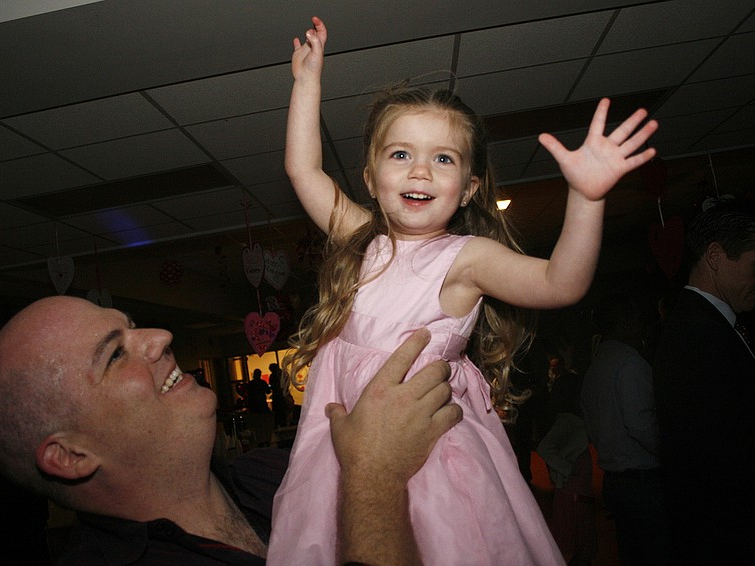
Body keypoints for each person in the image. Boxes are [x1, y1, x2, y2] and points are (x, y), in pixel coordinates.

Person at [269, 16, 658, 566]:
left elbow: (560, 283)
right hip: (342, 445)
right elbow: (302, 168)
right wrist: (307, 83)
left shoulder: (464, 260)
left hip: (428, 453)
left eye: (442, 158)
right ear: (371, 176)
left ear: (469, 188)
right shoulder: (363, 242)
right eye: (400, 154)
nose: (420, 170)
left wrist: (586, 199)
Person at [0, 296, 461, 565]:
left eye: (134, 325)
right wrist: (374, 478)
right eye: (115, 354)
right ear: (71, 456)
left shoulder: (279, 471)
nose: (161, 337)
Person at [652, 197, 755, 565]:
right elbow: (722, 454)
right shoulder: (696, 334)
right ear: (715, 256)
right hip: (726, 534)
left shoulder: (705, 323)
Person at [580, 293, 669, 566]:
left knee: (631, 553)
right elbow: (643, 425)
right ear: (626, 322)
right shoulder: (630, 364)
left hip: (614, 482)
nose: (642, 322)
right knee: (658, 553)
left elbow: (592, 426)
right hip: (642, 484)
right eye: (637, 317)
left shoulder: (595, 368)